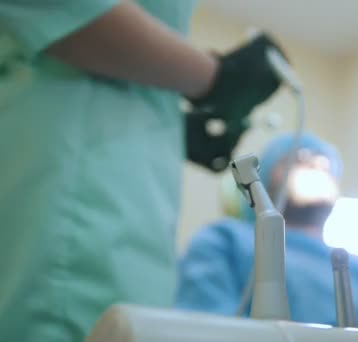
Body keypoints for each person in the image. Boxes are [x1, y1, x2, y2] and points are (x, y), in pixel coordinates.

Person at [0, 1, 283, 341]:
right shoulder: (226, 242)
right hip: (77, 186)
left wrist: (167, 124)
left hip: (117, 179)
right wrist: (217, 78)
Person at [176, 133, 358, 338]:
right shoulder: (228, 241)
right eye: (301, 158)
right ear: (262, 181)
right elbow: (201, 329)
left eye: (325, 164)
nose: (316, 165)